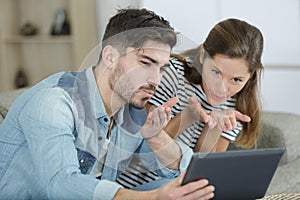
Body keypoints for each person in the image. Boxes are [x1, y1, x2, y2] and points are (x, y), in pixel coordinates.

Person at [0, 8, 215, 200]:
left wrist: (156, 137)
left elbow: (176, 170)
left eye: (161, 68)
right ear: (110, 57)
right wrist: (153, 198)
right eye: (146, 63)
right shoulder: (54, 102)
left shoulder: (132, 112)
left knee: (190, 191)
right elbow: (61, 185)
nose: (155, 80)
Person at [116, 18, 264, 189]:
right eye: (216, 72)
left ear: (250, 76)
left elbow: (204, 169)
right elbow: (146, 147)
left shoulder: (235, 107)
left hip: (180, 190)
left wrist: (215, 125)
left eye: (237, 80)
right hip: (130, 188)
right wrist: (187, 117)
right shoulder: (171, 75)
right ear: (202, 55)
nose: (222, 89)